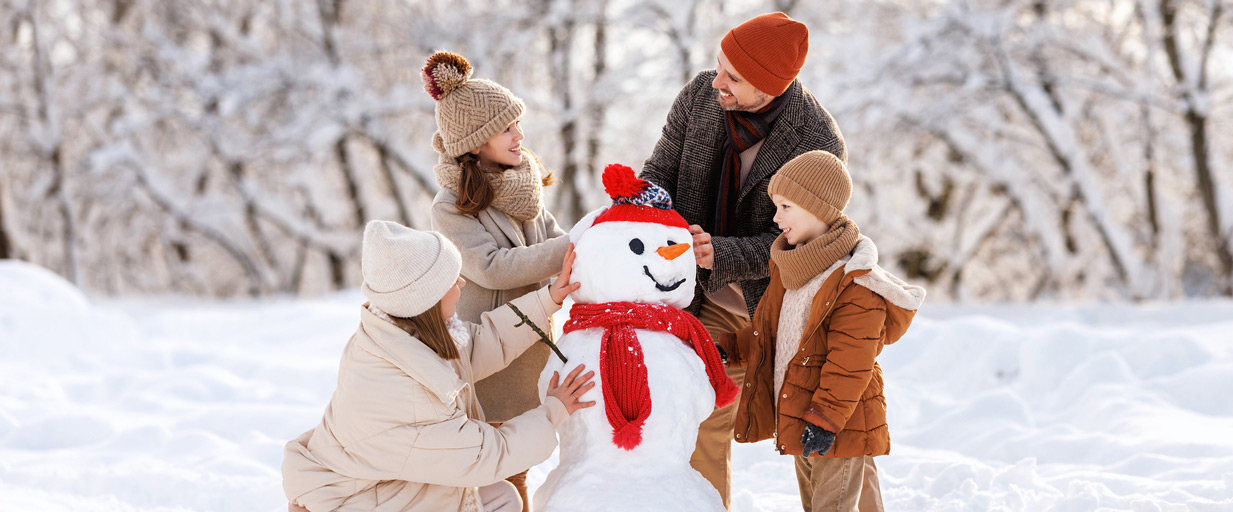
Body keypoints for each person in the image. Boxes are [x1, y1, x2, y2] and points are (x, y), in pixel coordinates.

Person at [638, 11, 846, 507]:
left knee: (819, 433)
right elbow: (662, 167)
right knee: (702, 416)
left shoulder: (816, 142)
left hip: (779, 306)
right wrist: (641, 202)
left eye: (734, 76)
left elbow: (808, 246)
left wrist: (722, 253)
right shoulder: (699, 97)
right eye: (719, 66)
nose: (718, 82)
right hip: (703, 299)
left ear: (772, 87)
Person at [282, 220, 595, 512]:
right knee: (499, 497)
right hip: (357, 502)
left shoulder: (401, 335)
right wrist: (553, 410)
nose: (460, 282)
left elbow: (482, 342)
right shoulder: (405, 393)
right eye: (450, 279)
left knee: (499, 496)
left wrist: (549, 298)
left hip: (384, 485)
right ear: (425, 299)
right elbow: (485, 456)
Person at [719, 151, 926, 511]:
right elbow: (772, 334)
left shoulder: (855, 284)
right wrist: (729, 349)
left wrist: (826, 419)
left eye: (786, 207)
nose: (776, 217)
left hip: (835, 423)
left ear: (816, 207)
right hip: (800, 415)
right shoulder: (793, 272)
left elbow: (851, 363)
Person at [423, 51, 570, 511]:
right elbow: (493, 266)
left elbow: (555, 239)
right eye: (507, 128)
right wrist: (575, 249)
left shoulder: (523, 187)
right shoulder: (449, 207)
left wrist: (596, 241)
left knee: (522, 460)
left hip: (534, 346)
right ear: (475, 140)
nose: (519, 136)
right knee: (503, 467)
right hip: (492, 354)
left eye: (517, 124)